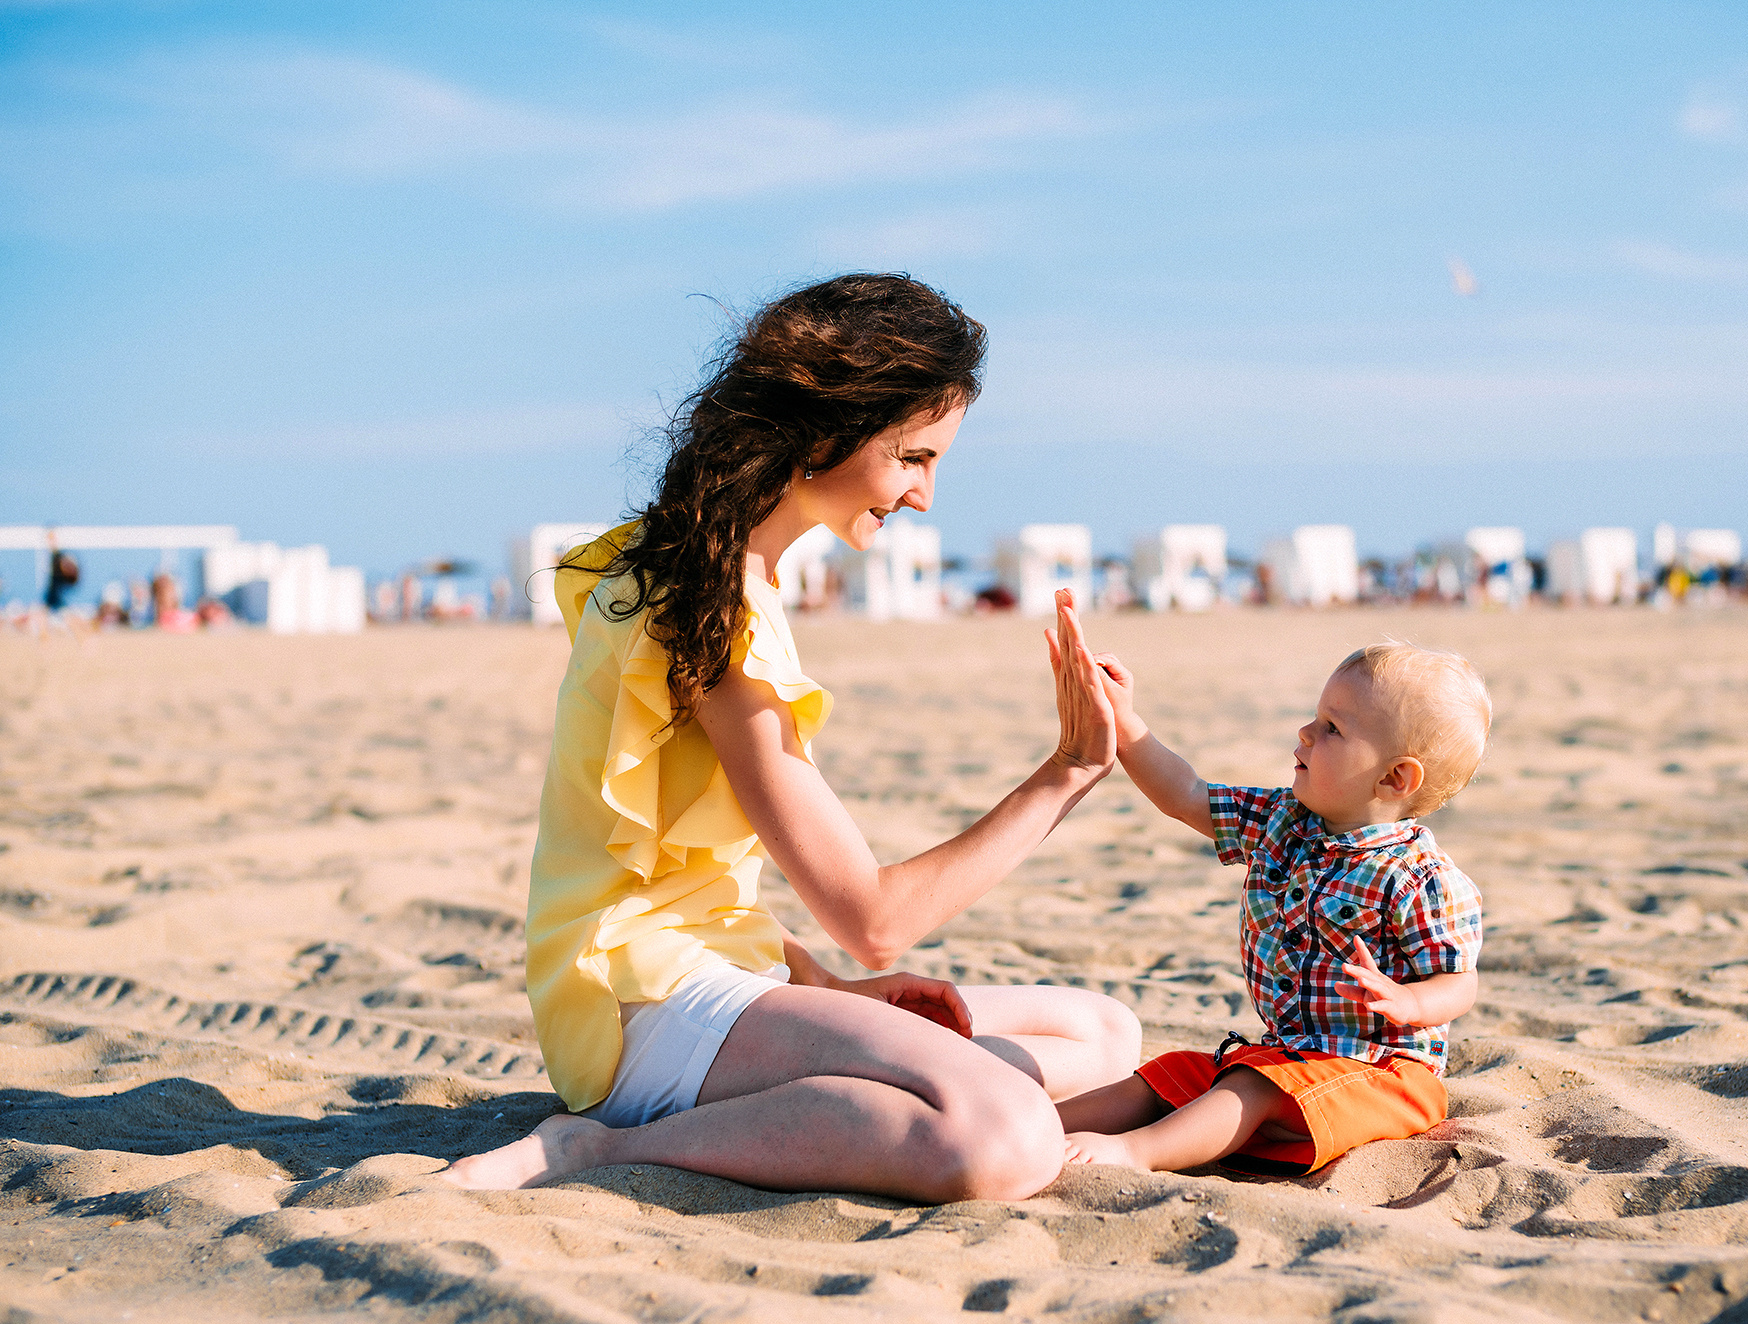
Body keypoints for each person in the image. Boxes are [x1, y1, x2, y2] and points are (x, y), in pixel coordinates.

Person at [437, 274, 1139, 1203]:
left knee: (1104, 1036)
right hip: (638, 1006)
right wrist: (1069, 770)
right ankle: (595, 1151)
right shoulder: (715, 610)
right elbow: (875, 921)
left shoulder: (690, 557)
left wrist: (826, 993)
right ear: (826, 430)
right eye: (912, 457)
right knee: (1003, 1139)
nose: (925, 494)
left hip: (719, 964)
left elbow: (698, 873)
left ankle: (840, 1087)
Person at [1059, 638, 1488, 1175]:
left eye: (1333, 728)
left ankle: (1132, 1153)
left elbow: (1459, 982)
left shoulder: (1421, 878)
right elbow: (1186, 794)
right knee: (1170, 1075)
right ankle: (1038, 1122)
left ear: (1394, 778)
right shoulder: (1280, 822)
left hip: (1386, 1076)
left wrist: (1408, 1002)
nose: (1306, 733)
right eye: (1316, 717)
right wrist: (1124, 721)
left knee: (1249, 1087)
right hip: (1289, 1056)